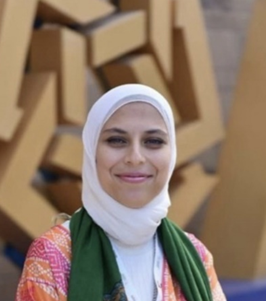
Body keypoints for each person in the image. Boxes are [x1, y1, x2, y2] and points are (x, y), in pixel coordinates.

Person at [16, 84, 226, 301]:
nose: (135, 157)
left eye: (153, 141)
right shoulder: (54, 255)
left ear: (171, 155)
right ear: (92, 152)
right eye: (117, 140)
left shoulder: (195, 256)